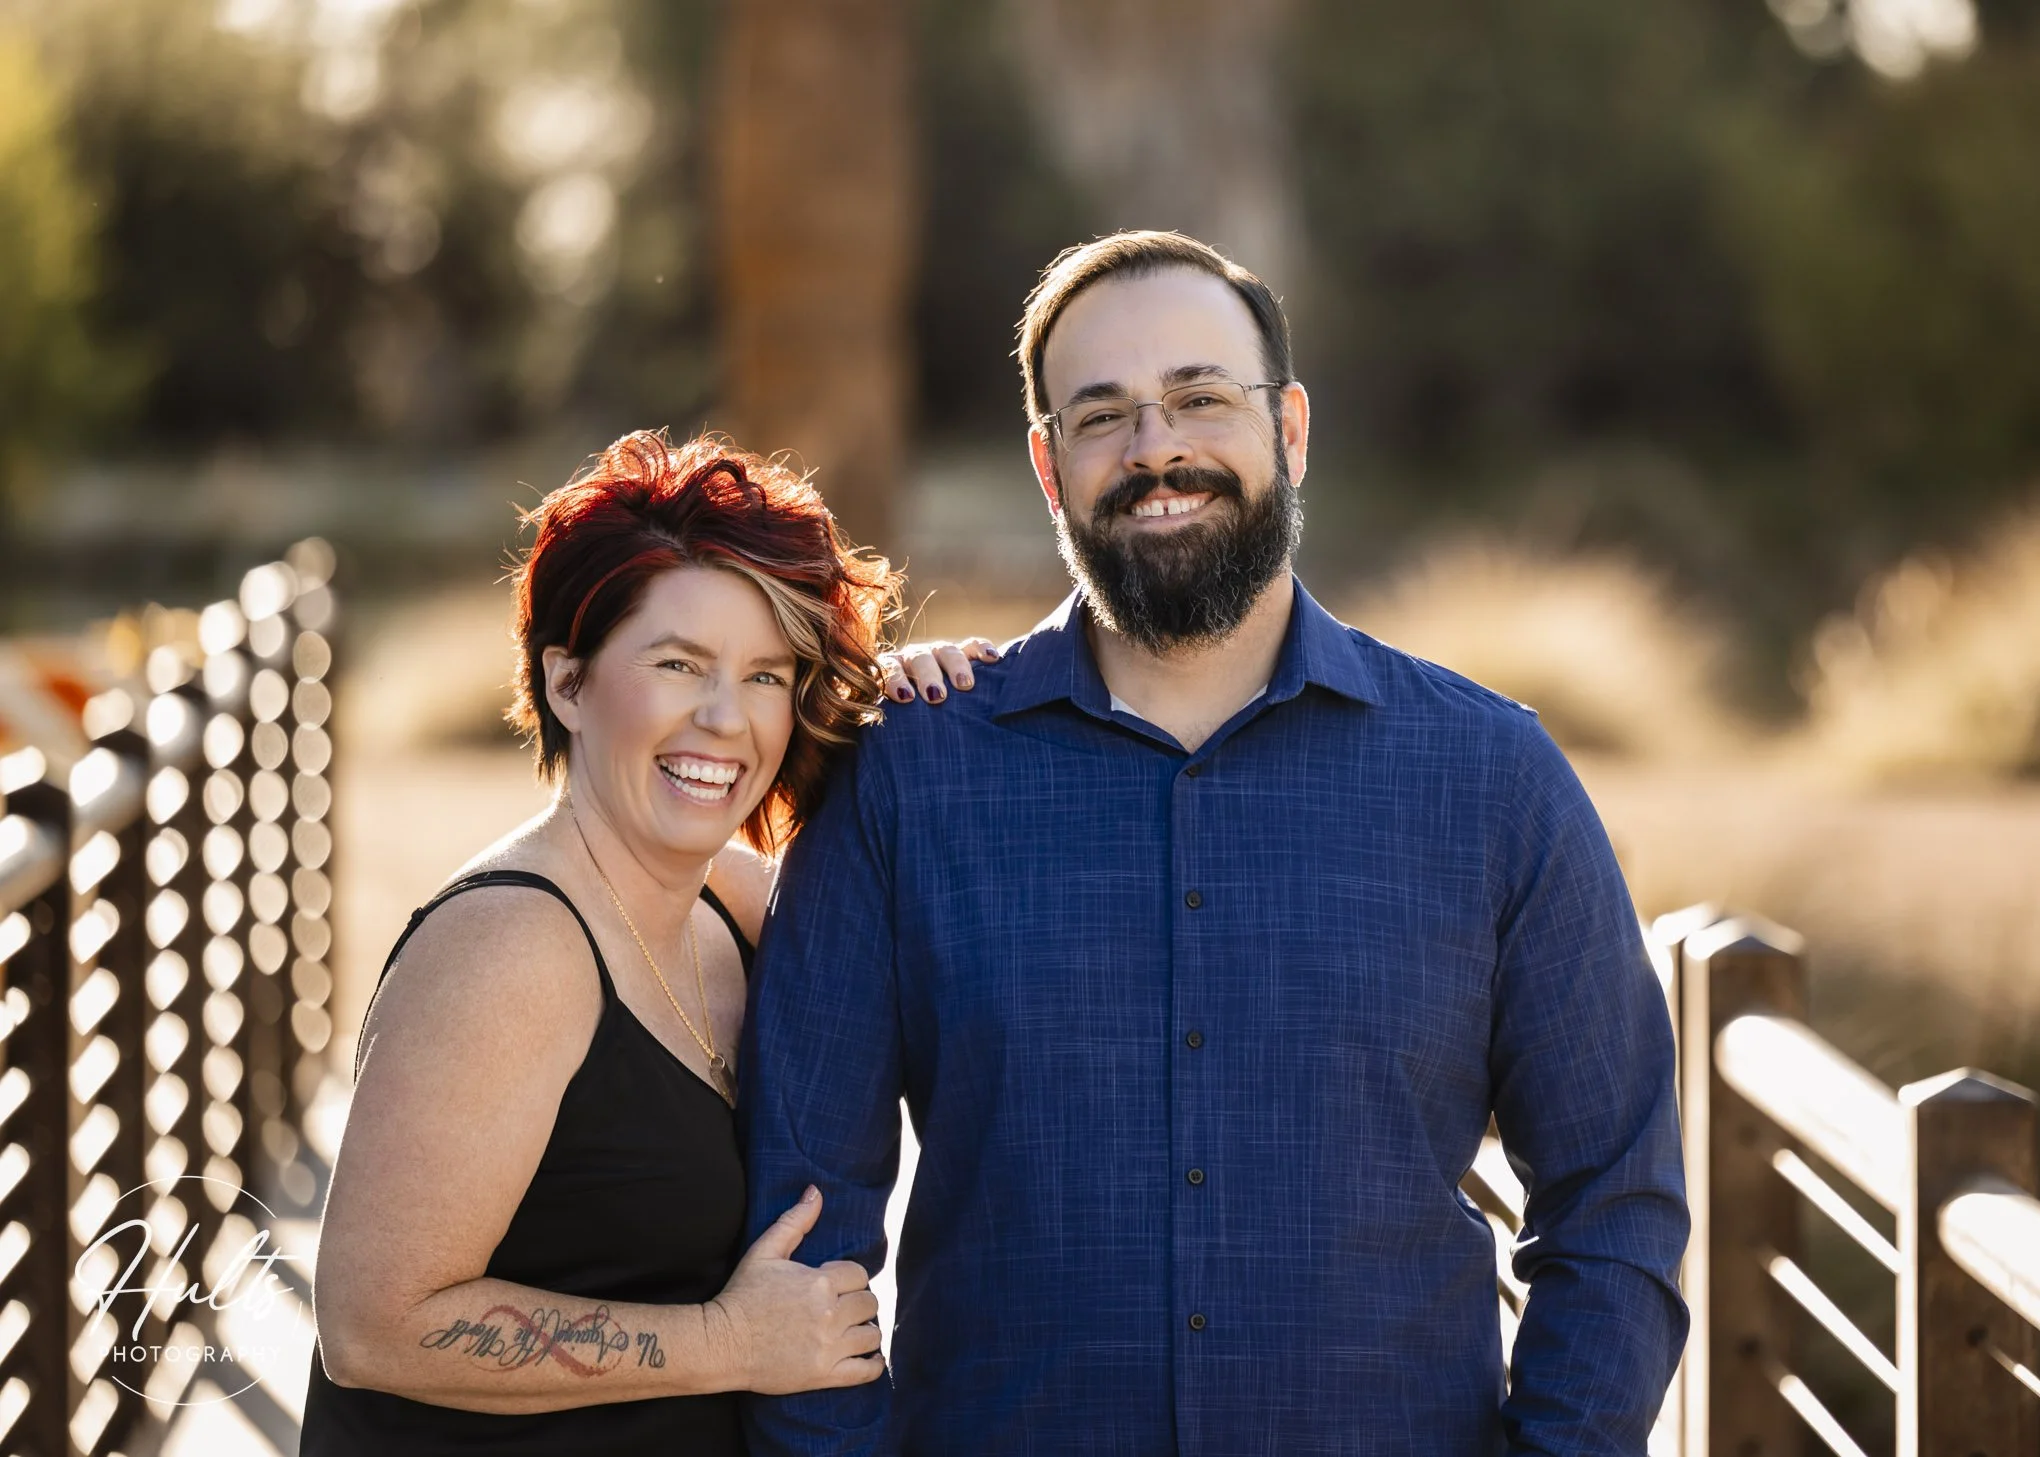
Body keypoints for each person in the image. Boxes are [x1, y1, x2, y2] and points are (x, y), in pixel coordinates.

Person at [740, 231, 1690, 1455]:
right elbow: (802, 1227)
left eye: (1199, 397)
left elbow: (1613, 1206)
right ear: (1049, 465)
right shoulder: (907, 776)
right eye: (1103, 416)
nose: (1157, 449)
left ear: (1289, 430)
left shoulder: (1494, 779)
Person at [301, 430, 990, 1455]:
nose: (725, 718)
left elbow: (914, 912)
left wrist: (921, 707)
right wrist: (728, 1341)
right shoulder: (510, 946)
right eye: (678, 664)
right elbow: (374, 1323)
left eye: (765, 675)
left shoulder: (737, 902)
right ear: (568, 684)